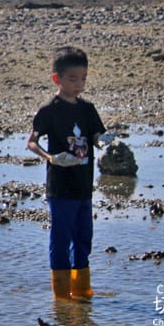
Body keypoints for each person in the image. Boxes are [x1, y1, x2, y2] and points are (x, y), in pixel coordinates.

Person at [27, 45, 106, 301]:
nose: (79, 85)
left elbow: (96, 135)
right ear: (57, 79)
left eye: (83, 79)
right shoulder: (49, 109)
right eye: (72, 80)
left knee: (84, 237)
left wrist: (105, 142)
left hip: (84, 185)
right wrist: (50, 157)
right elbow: (32, 142)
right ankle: (61, 297)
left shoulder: (87, 109)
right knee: (60, 238)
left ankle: (81, 293)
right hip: (60, 187)